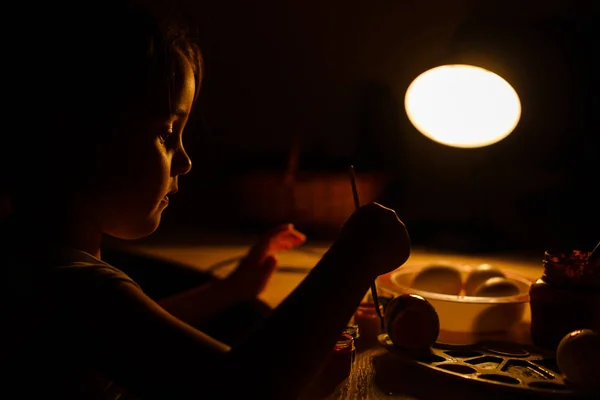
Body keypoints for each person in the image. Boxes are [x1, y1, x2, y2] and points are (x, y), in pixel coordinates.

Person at [0, 1, 411, 399]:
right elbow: (242, 388)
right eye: (166, 134)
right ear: (79, 140)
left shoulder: (35, 260)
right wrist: (353, 259)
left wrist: (230, 291)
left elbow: (137, 340)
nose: (186, 160)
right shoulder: (71, 286)